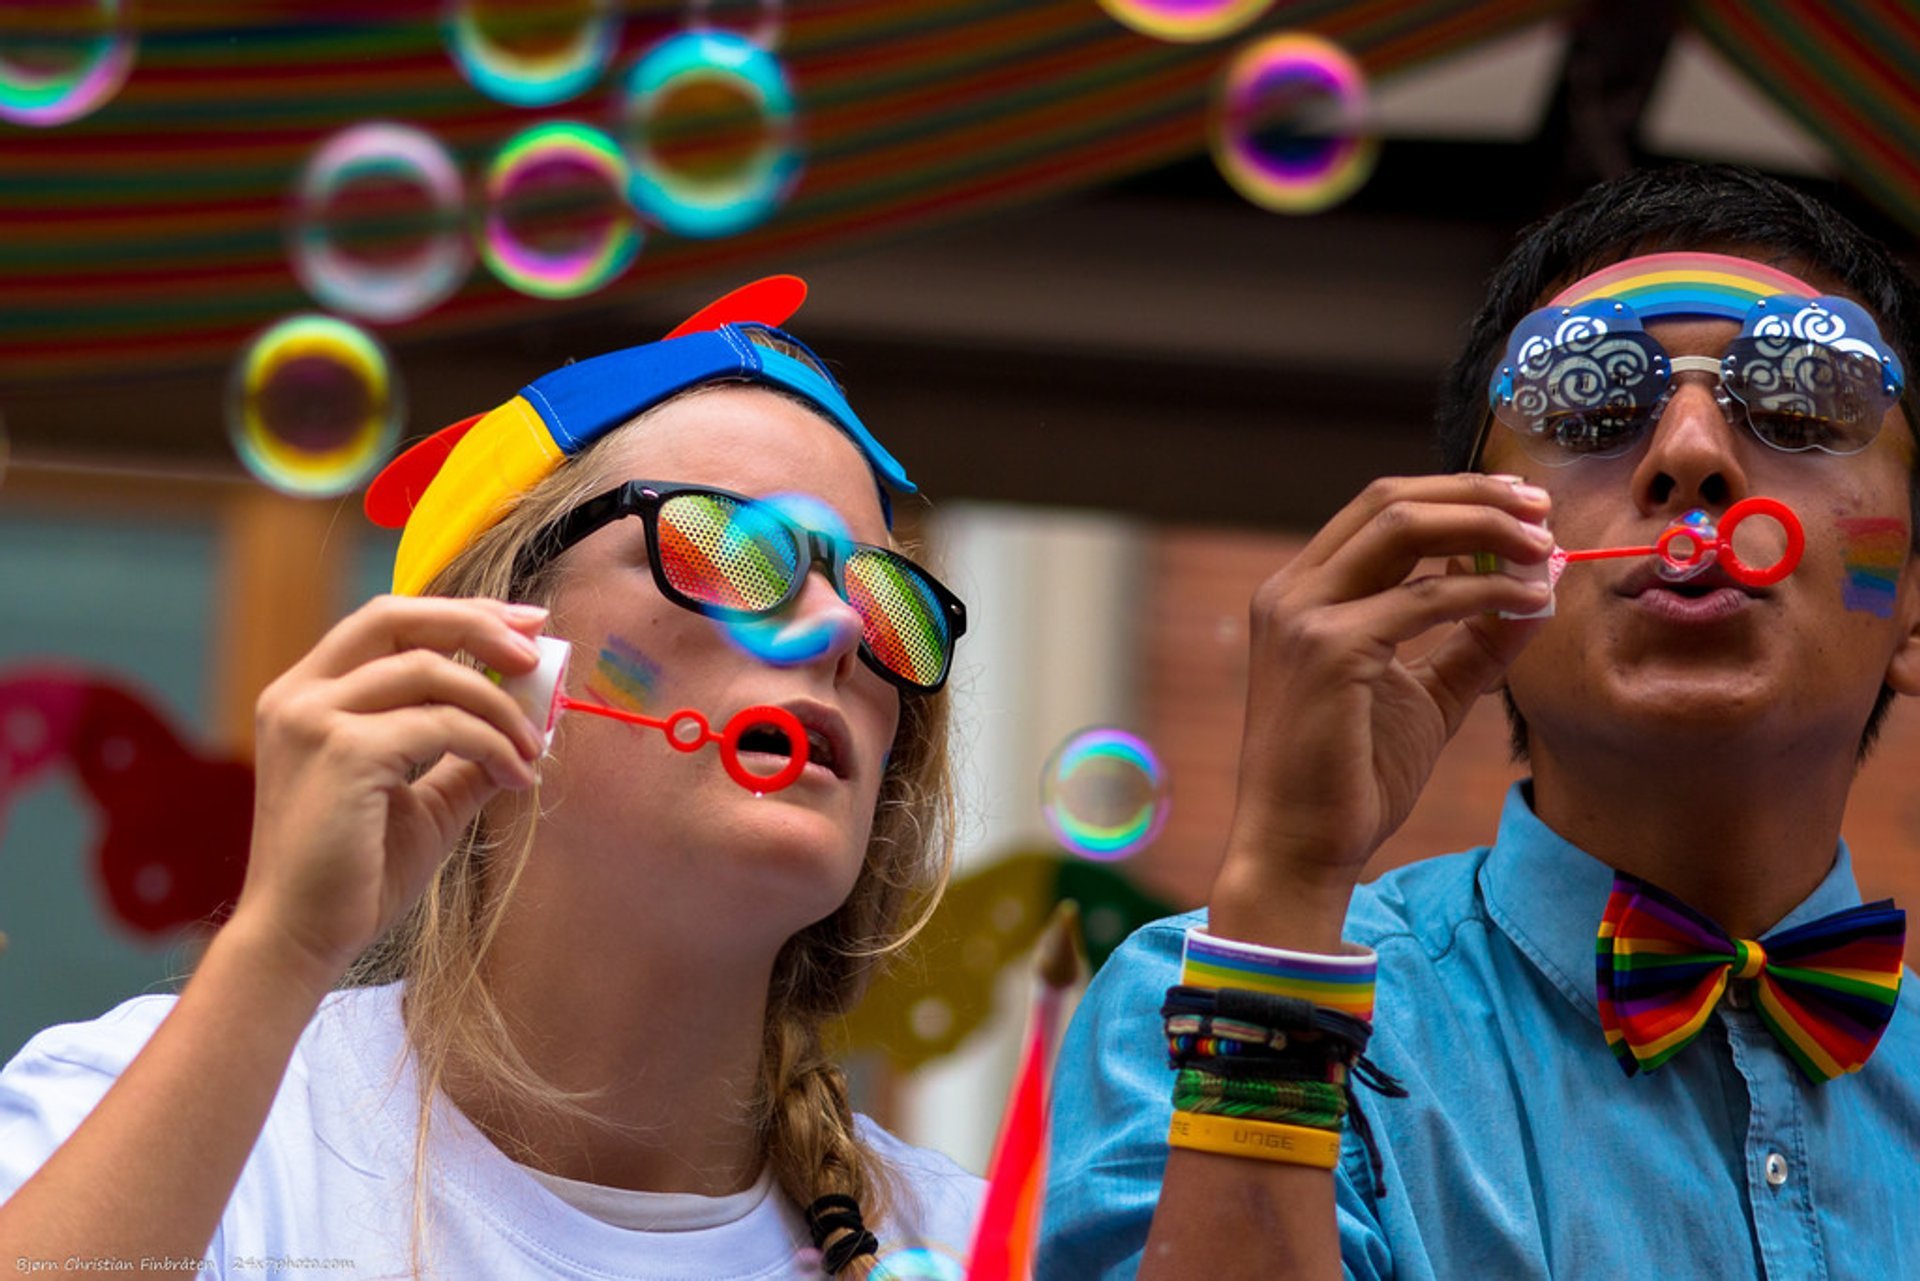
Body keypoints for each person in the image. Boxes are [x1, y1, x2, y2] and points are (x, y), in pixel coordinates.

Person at [1039, 163, 1920, 1279]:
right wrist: (1286, 886)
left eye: (1802, 403)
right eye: (1592, 404)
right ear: (1475, 563)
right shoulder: (1208, 1006)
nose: (1690, 455)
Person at [0, 280, 983, 1279]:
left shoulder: (988, 1247)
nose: (840, 632)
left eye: (887, 597)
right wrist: (282, 948)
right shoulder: (177, 1131)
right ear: (493, 650)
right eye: (728, 549)